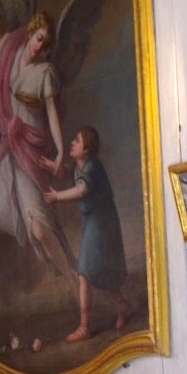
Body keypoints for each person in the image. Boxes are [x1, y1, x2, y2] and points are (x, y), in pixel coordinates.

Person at [0, 0, 76, 279]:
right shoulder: (13, 52)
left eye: (45, 43)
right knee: (31, 227)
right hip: (12, 148)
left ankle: (70, 274)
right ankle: (64, 272)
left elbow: (52, 114)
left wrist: (61, 151)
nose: (39, 46)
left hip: (33, 148)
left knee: (40, 226)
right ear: (31, 33)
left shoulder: (45, 72)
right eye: (38, 38)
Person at [43, 126, 130, 342]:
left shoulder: (93, 167)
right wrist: (53, 166)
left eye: (76, 140)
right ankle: (123, 305)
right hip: (93, 222)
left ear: (87, 149)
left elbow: (81, 190)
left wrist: (57, 196)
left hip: (102, 223)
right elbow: (68, 172)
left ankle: (84, 327)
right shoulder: (80, 165)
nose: (71, 143)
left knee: (85, 272)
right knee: (96, 273)